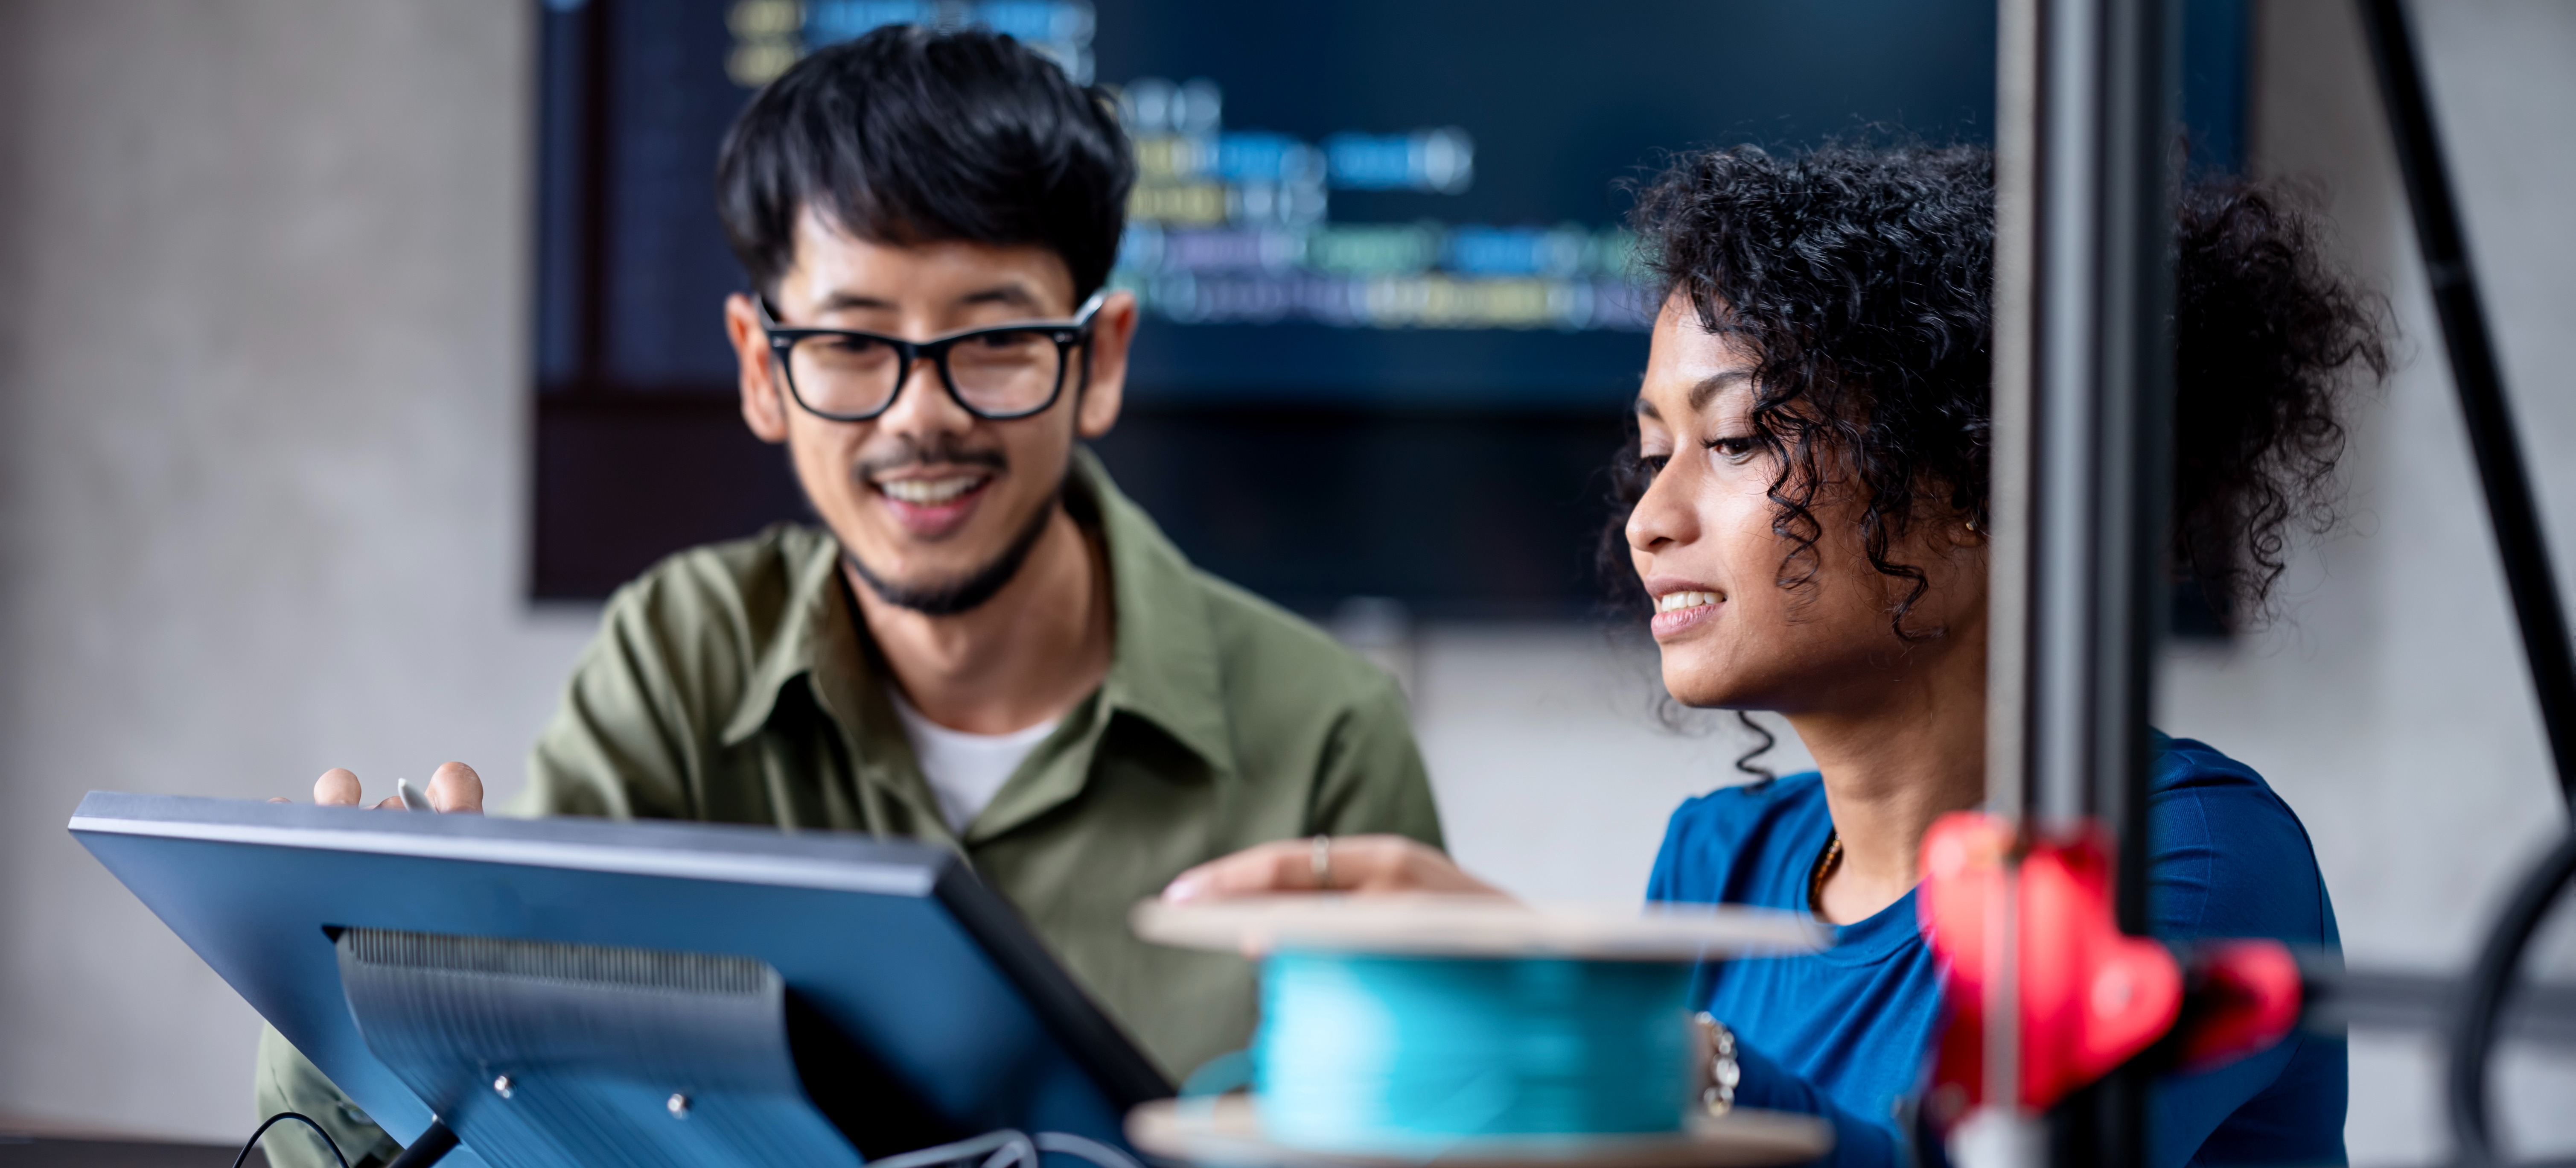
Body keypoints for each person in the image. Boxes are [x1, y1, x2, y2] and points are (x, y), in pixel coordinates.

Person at [255, 26, 1444, 1168]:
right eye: (851, 344)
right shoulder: (680, 654)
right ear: (761, 368)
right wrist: (374, 984)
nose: (920, 415)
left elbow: (1419, 1134)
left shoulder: (1327, 735)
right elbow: (532, 1113)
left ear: (1102, 359)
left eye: (996, 341)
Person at [1164, 144, 2385, 1168]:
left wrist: (1617, 1029)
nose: (1649, 520)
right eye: (1655, 453)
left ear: (1978, 480)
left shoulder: (2191, 859)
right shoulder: (1718, 858)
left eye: (1738, 440)